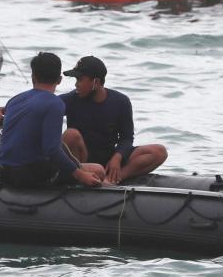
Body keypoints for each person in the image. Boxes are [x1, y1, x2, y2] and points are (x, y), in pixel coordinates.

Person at [0, 53, 105, 188]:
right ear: (59, 80)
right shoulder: (54, 104)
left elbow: (21, 109)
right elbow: (52, 150)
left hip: (4, 171)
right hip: (28, 175)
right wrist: (80, 175)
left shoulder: (15, 100)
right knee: (98, 171)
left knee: (66, 152)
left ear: (33, 77)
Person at [60, 56, 168, 185]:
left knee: (159, 152)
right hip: (84, 161)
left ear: (96, 82)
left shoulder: (121, 102)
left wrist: (118, 157)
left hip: (109, 157)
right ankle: (79, 178)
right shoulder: (70, 100)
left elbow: (127, 138)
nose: (76, 84)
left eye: (80, 79)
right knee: (71, 134)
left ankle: (113, 179)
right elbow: (45, 109)